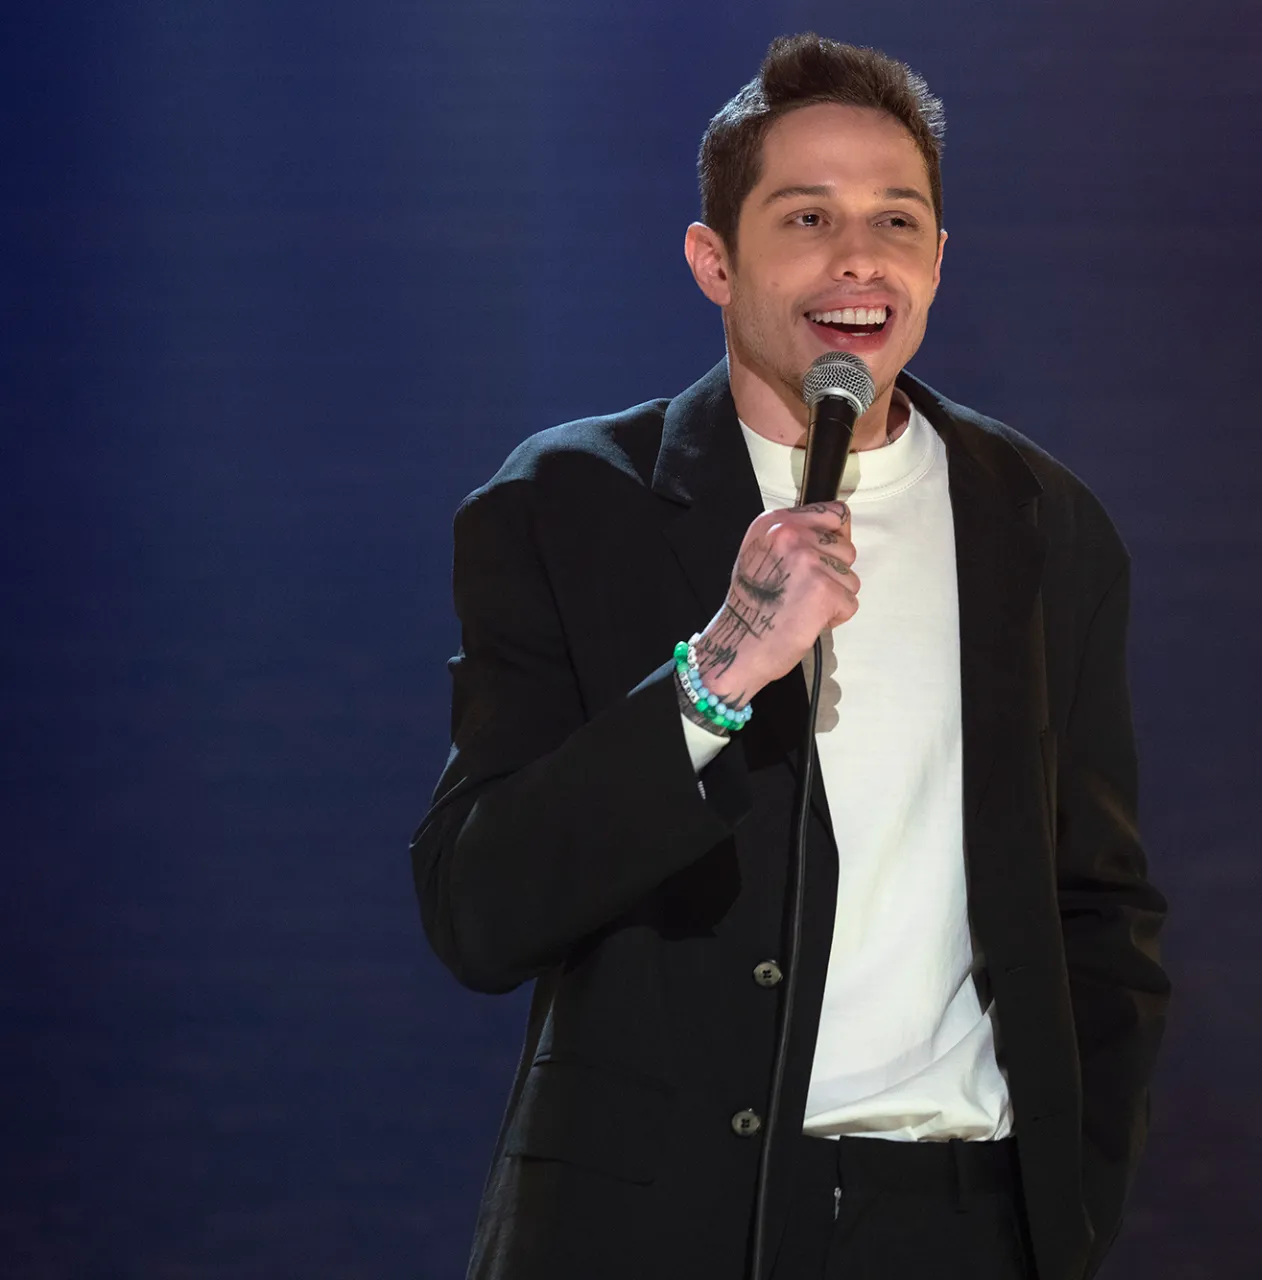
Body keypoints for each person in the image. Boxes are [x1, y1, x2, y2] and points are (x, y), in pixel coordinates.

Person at [411, 32, 1168, 1280]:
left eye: (895, 221)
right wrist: (718, 668)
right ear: (713, 258)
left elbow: (1098, 902)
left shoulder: (1040, 520)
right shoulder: (569, 504)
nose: (857, 258)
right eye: (807, 217)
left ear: (937, 260)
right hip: (652, 1222)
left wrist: (1068, 1203)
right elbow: (476, 907)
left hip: (955, 1220)